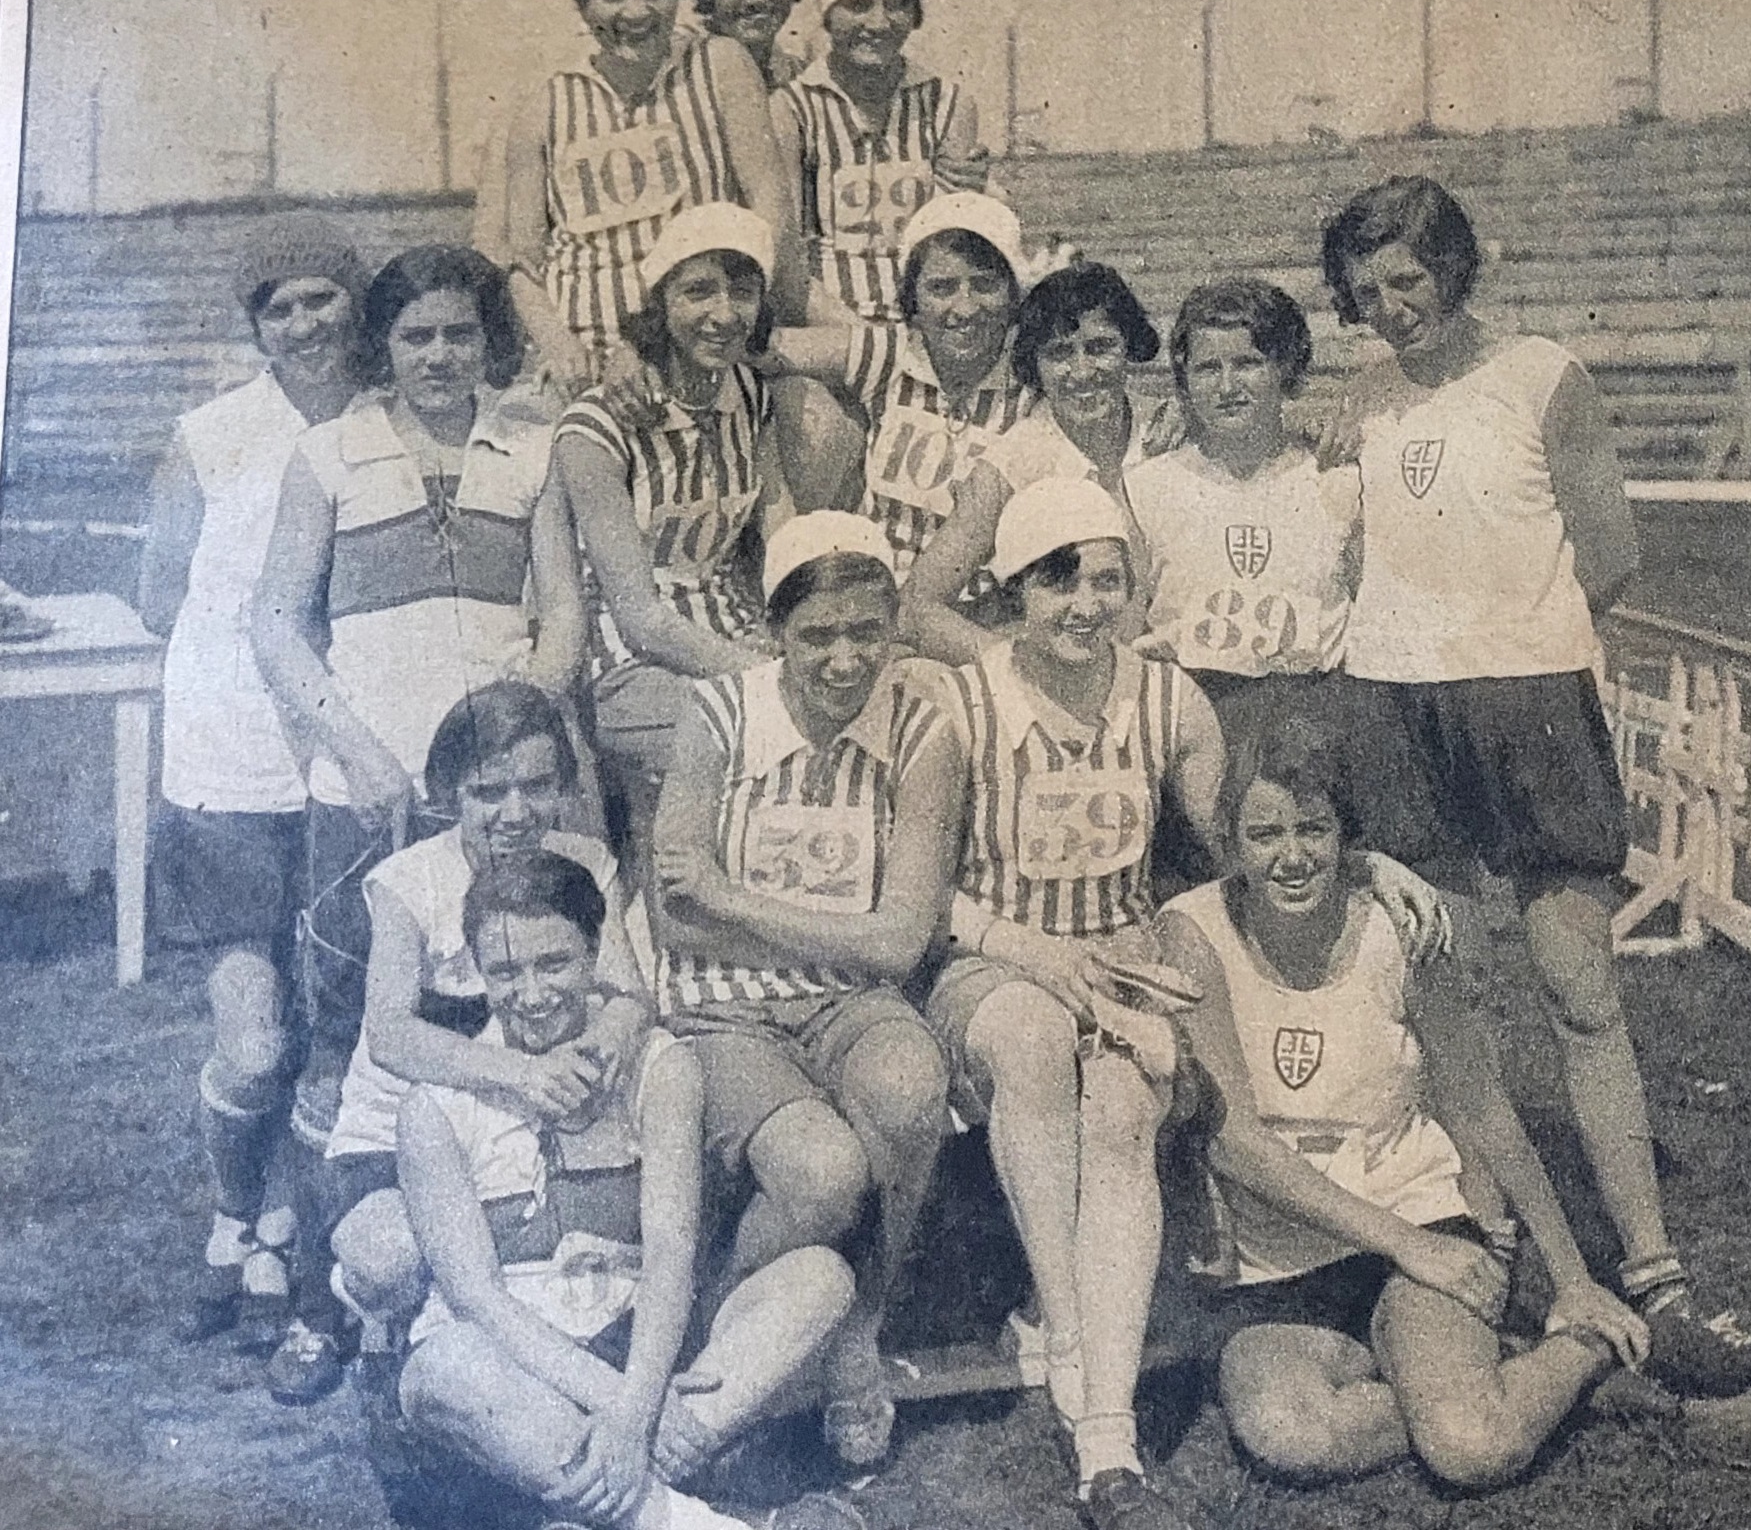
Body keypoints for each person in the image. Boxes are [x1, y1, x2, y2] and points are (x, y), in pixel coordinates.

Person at [1317, 174, 1751, 1398]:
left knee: (1578, 992)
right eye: (1366, 294)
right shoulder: (1361, 399)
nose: (1391, 309)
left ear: (1457, 270)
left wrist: (1510, 648)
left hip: (1527, 706)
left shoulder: (1542, 374)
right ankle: (1509, 1251)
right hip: (1393, 708)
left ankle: (1657, 1276)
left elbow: (1610, 553)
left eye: (1408, 281)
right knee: (1452, 1001)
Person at [251, 242, 584, 1404]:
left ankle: (490, 1281)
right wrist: (356, 744)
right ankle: (316, 1309)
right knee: (344, 1045)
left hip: (493, 809)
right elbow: (276, 628)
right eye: (415, 337)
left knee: (499, 1015)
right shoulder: (327, 455)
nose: (441, 357)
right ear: (381, 350)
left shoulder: (530, 454)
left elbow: (563, 628)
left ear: (489, 341)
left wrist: (511, 752)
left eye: (460, 334)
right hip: (368, 804)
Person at [1159, 732, 1654, 1491]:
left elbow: (1482, 1107)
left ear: (1346, 839)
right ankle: (1462, 1386)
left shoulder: (1401, 930)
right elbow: (1236, 1147)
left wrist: (1571, 1277)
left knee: (1473, 1449)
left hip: (1415, 1224)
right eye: (1264, 835)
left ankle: (1582, 1351)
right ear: (1229, 844)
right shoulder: (1193, 934)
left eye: (1312, 830)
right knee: (1290, 1435)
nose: (1290, 858)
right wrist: (1406, 1247)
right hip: (1276, 1264)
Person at [922, 477, 1220, 1530]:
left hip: (1122, 957)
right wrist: (1033, 953)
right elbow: (918, 895)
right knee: (1035, 1037)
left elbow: (1238, 847)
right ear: (1010, 588)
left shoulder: (1168, 697)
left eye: (1108, 577)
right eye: (1060, 580)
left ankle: (1105, 1426)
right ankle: (1075, 1341)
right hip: (992, 956)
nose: (1087, 603)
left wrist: (1368, 869)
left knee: (1126, 1108)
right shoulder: (960, 701)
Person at [397, 853, 854, 1530]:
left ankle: (589, 1502)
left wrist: (637, 1400)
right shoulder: (434, 1106)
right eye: (506, 972)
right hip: (518, 1370)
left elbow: (672, 1252)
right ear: (476, 973)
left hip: (639, 1348)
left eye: (553, 963)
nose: (532, 993)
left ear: (592, 956)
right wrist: (630, 1405)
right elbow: (479, 1302)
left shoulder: (658, 1067)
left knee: (821, 1277)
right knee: (443, 1367)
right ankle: (690, 1519)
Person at [651, 512, 964, 1468]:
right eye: (817, 634)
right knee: (824, 1176)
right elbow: (674, 919)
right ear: (774, 630)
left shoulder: (921, 729)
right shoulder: (719, 713)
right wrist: (839, 934)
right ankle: (714, 1337)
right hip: (723, 1006)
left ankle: (857, 1330)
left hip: (849, 1003)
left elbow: (904, 938)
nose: (844, 659)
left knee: (912, 1090)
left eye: (866, 631)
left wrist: (730, 894)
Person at [138, 213, 367, 1346]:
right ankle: (238, 1217)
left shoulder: (387, 420)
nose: (305, 321)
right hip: (228, 758)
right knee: (252, 1040)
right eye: (281, 305)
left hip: (347, 758)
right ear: (257, 328)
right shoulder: (214, 432)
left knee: (326, 1027)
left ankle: (287, 1241)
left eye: (323, 295)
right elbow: (157, 588)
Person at [321, 683, 654, 1381]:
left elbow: (626, 995)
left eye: (537, 787)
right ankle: (377, 1325)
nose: (515, 813)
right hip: (394, 1140)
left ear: (564, 787)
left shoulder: (585, 861)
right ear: (449, 794)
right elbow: (391, 1035)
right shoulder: (408, 882)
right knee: (390, 1260)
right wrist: (526, 1074)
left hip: (517, 1133)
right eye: (488, 792)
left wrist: (605, 1046)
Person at [476, 0, 803, 391]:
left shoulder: (719, 65)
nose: (636, 12)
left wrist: (662, 343)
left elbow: (770, 213)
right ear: (583, 6)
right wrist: (560, 347)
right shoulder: (546, 103)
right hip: (583, 360)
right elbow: (524, 263)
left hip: (702, 344)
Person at [552, 202, 778, 897]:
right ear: (659, 303)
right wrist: (765, 680)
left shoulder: (749, 391)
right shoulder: (597, 426)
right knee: (718, 741)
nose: (722, 313)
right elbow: (641, 616)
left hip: (730, 624)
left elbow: (776, 536)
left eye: (741, 291)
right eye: (697, 290)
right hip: (630, 653)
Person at [1121, 279, 1362, 884]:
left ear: (1284, 367)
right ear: (1183, 379)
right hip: (1194, 719)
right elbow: (1125, 631)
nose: (1228, 386)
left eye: (1249, 363)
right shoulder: (1149, 487)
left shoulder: (1335, 479)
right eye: (1208, 368)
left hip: (1308, 717)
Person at [898, 260, 1165, 667]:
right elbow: (918, 605)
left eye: (1100, 347)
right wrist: (1018, 672)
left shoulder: (1166, 429)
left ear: (1129, 346)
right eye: (1059, 354)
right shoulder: (1015, 461)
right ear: (1034, 367)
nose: (1081, 371)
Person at [760, 191, 1040, 549]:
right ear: (914, 300)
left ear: (1014, 295)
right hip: (878, 581)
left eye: (985, 285)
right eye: (942, 288)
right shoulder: (895, 353)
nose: (965, 308)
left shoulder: (1032, 375)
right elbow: (770, 348)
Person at [771, 0, 987, 326]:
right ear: (827, 16)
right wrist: (864, 340)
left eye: (896, 4)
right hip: (826, 323)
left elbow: (956, 246)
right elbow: (789, 257)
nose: (879, 22)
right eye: (858, 4)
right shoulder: (793, 109)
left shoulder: (948, 104)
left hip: (927, 325)